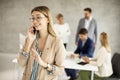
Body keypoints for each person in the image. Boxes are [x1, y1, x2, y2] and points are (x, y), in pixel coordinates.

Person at [17, 6, 66, 80]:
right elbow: (21, 63)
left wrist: (44, 64)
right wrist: (29, 42)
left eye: (38, 17)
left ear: (48, 19)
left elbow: (60, 70)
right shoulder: (30, 38)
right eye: (33, 18)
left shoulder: (57, 41)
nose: (34, 21)